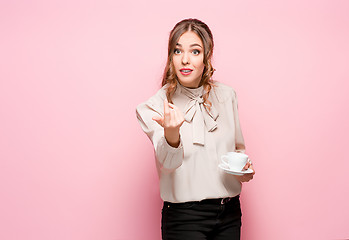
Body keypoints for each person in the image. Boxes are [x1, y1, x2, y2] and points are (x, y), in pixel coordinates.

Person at [136, 18, 255, 240]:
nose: (185, 60)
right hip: (184, 218)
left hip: (229, 213)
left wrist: (245, 170)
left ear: (207, 57)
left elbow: (238, 148)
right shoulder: (155, 106)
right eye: (178, 51)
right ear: (171, 57)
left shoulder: (227, 96)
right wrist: (172, 135)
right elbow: (169, 164)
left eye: (195, 51)